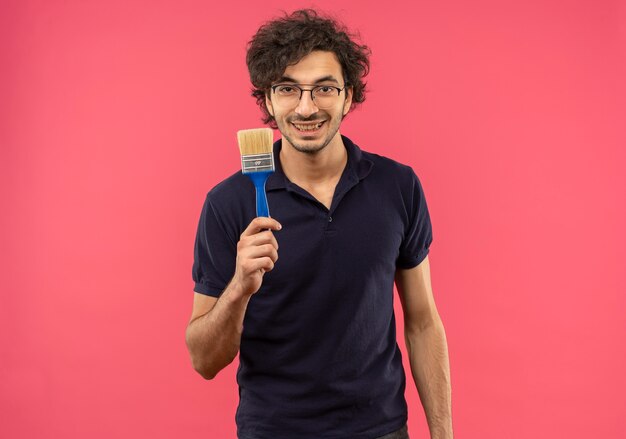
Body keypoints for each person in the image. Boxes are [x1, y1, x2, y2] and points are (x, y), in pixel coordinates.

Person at [186, 9, 453, 439]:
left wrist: (444, 435)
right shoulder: (228, 202)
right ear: (269, 101)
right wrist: (238, 287)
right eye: (288, 89)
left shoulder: (397, 186)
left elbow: (422, 321)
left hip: (381, 430)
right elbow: (204, 361)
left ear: (349, 97)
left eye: (324, 88)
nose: (306, 107)